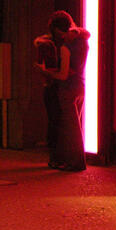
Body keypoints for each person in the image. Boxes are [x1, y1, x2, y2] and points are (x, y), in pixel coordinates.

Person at [35, 13, 90, 171]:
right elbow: (86, 33)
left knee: (71, 129)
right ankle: (76, 161)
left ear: (59, 31)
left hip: (67, 89)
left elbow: (63, 75)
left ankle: (76, 162)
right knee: (77, 126)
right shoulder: (83, 42)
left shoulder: (66, 48)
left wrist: (46, 72)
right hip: (80, 86)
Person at [34, 11, 73, 168]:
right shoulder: (49, 43)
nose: (62, 32)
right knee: (56, 122)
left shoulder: (53, 42)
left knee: (57, 122)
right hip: (54, 86)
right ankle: (56, 156)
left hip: (56, 85)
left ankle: (57, 156)